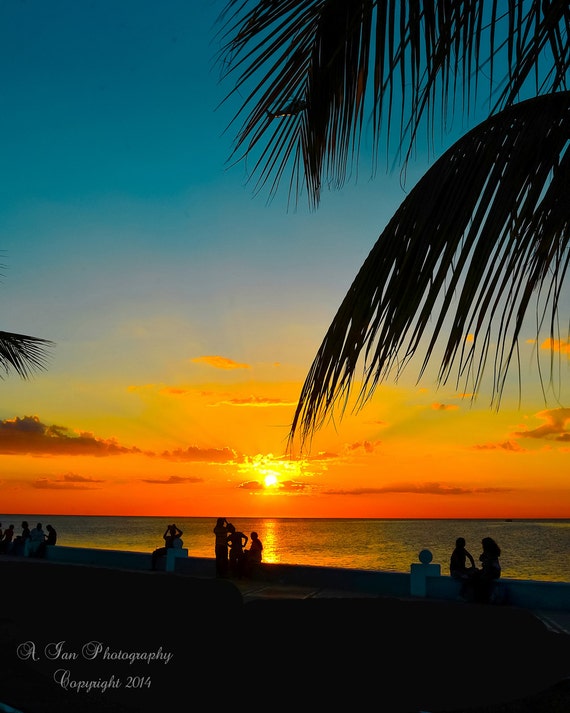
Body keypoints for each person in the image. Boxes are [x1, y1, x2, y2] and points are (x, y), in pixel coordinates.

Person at [471, 537, 502, 603]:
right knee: (474, 575)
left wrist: (484, 574)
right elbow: (481, 558)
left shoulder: (492, 553)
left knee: (483, 580)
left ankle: (483, 598)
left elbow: (488, 566)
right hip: (488, 570)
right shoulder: (486, 552)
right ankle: (477, 597)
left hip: (493, 572)